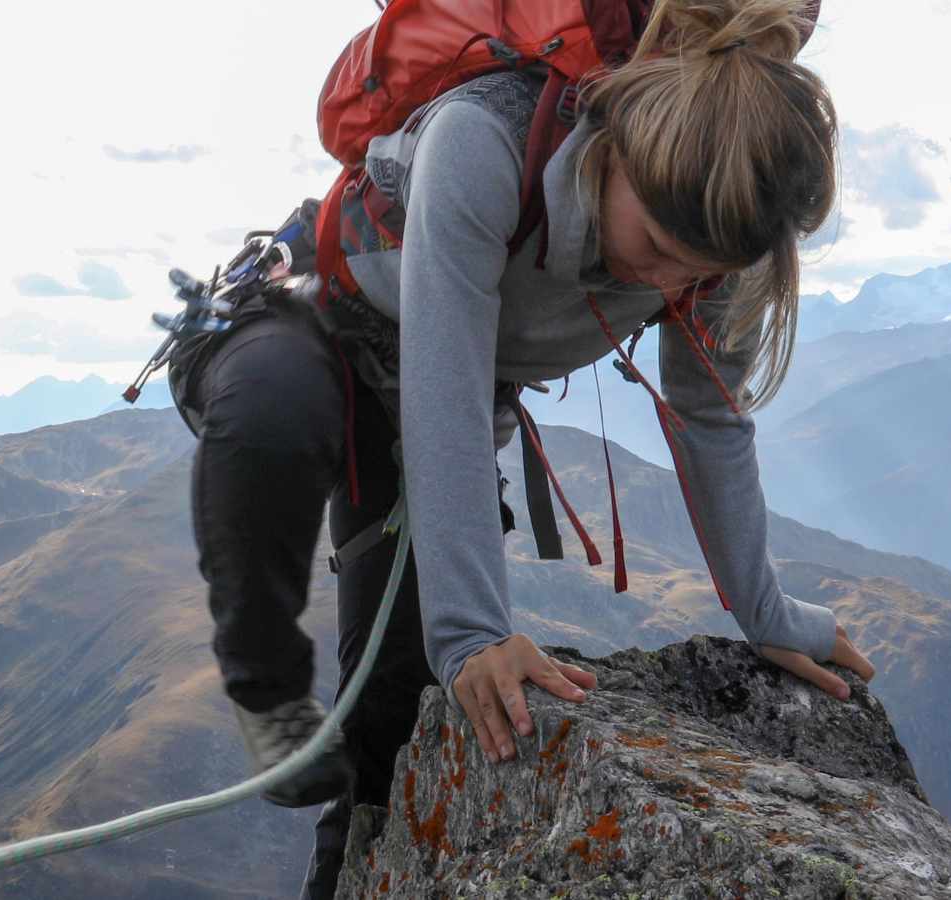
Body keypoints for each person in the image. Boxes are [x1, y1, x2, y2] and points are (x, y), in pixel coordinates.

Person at [169, 1, 881, 897]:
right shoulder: (486, 140)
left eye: (692, 274)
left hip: (425, 387)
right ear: (618, 152)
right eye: (657, 248)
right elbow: (450, 386)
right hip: (313, 317)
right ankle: (267, 692)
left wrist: (768, 613)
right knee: (271, 422)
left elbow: (709, 418)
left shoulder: (718, 233)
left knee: (397, 716)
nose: (667, 284)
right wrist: (474, 636)